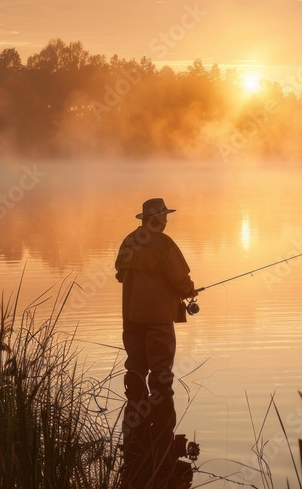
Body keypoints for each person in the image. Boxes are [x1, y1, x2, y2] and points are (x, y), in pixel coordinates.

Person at [115, 198, 196, 488]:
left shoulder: (128, 241)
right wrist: (189, 291)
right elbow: (181, 280)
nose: (167, 220)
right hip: (158, 320)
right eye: (164, 215)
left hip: (131, 318)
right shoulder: (165, 244)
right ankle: (159, 418)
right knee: (161, 374)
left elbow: (119, 274)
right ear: (157, 217)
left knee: (135, 369)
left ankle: (136, 409)